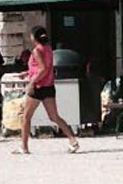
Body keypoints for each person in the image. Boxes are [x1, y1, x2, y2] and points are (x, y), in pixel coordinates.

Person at [14, 26, 79, 155]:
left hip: (38, 87)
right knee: (54, 117)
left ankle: (24, 147)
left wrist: (31, 82)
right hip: (49, 86)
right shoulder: (48, 49)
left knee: (26, 117)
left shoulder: (37, 51)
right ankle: (72, 140)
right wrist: (28, 73)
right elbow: (45, 68)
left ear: (34, 37)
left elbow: (42, 69)